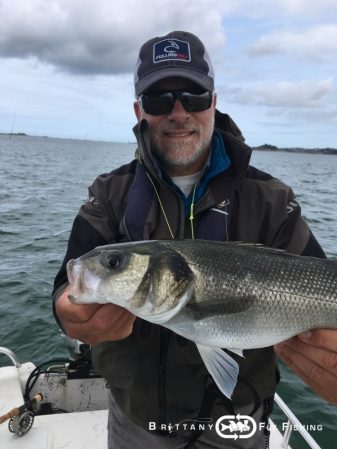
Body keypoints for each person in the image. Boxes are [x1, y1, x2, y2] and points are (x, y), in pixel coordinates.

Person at [52, 31, 337, 448]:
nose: (179, 112)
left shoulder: (273, 200)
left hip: (238, 425)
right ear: (139, 110)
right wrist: (68, 313)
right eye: (158, 100)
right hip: (138, 421)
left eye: (195, 96)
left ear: (214, 102)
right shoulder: (109, 193)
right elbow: (67, 282)